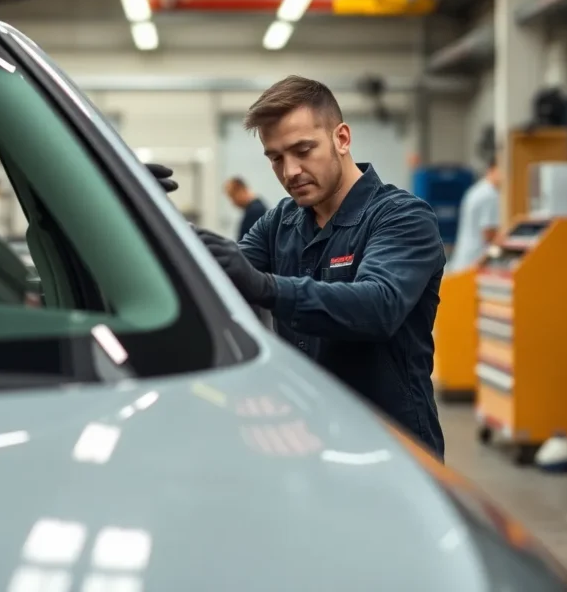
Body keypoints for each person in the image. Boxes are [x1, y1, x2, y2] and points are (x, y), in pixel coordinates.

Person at [195, 75, 446, 460]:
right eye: (276, 157)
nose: (290, 171)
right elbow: (209, 277)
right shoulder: (281, 221)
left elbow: (378, 305)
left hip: (391, 447)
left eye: (303, 150)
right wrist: (139, 209)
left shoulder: (402, 217)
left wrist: (268, 288)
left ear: (342, 138)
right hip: (304, 438)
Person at [448, 156, 501, 272]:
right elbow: (489, 235)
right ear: (492, 169)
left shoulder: (477, 190)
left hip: (462, 260)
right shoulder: (490, 195)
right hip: (474, 262)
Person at [223, 177, 268, 241]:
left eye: (232, 196)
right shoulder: (254, 208)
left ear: (240, 190)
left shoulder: (255, 211)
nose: (232, 202)